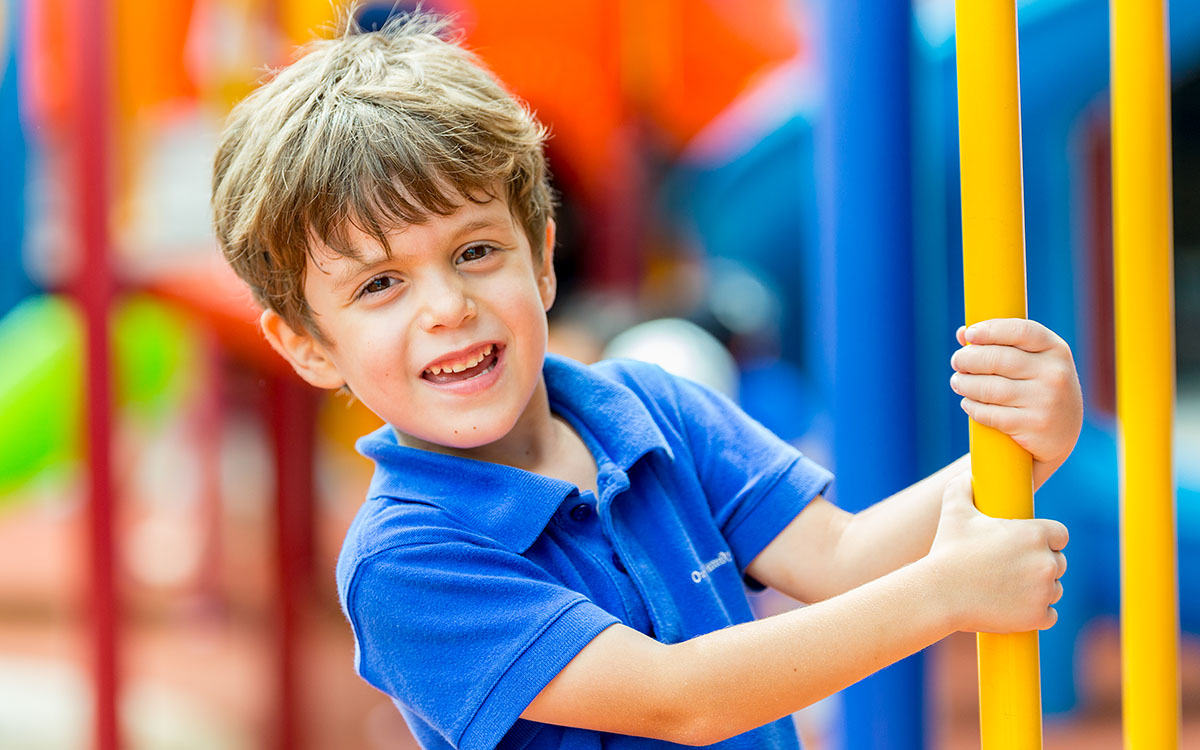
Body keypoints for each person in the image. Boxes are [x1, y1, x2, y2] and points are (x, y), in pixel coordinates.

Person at [211, 10, 1082, 750]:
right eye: (379, 285)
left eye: (476, 252)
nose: (446, 307)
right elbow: (680, 698)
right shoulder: (407, 560)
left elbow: (841, 559)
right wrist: (943, 595)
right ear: (308, 347)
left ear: (544, 260)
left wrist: (1021, 447)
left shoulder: (647, 407)